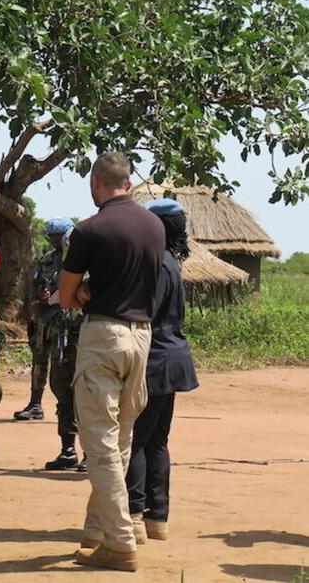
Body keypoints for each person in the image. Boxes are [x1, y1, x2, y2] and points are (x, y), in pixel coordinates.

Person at [59, 152, 165, 572]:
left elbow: (66, 297)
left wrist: (85, 289)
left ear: (96, 184)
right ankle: (96, 530)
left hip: (103, 337)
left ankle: (120, 542)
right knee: (120, 441)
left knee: (99, 443)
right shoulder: (155, 226)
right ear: (129, 183)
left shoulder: (88, 229)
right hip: (142, 338)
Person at [125, 198, 199, 543]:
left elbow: (146, 314)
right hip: (172, 359)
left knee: (137, 440)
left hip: (153, 359)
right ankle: (158, 518)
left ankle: (134, 516)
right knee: (157, 441)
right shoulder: (172, 261)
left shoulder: (155, 264)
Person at [14, 217, 75, 423]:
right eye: (52, 236)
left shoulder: (76, 259)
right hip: (44, 319)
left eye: (59, 236)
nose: (55, 240)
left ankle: (66, 407)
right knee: (38, 363)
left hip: (66, 321)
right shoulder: (46, 260)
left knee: (61, 365)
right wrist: (38, 300)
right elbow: (34, 287)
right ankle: (35, 405)